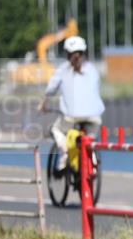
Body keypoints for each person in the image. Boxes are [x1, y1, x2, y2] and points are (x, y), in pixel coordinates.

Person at [38, 36, 105, 171]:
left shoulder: (63, 69)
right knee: (90, 138)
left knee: (56, 129)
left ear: (67, 54)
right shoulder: (93, 69)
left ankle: (65, 153)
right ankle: (92, 157)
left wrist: (43, 104)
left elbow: (50, 90)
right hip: (95, 116)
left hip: (71, 116)